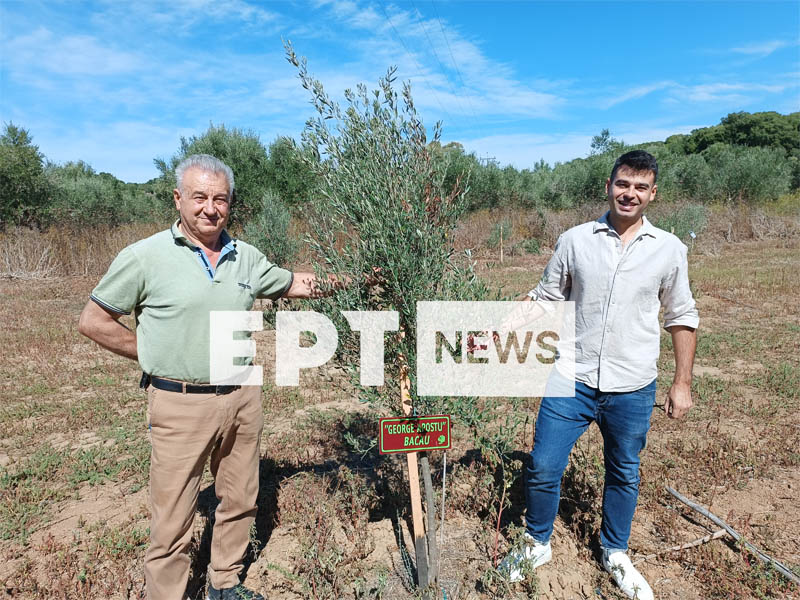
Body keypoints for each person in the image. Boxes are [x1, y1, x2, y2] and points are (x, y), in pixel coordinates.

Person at [78, 154, 348, 600]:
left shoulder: (245, 257)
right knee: (172, 519)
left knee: (240, 498)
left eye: (219, 198)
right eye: (199, 197)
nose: (210, 208)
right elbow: (93, 320)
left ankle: (225, 583)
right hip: (180, 403)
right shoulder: (145, 257)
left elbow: (297, 283)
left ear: (230, 204)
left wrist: (364, 279)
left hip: (242, 396)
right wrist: (150, 352)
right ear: (178, 199)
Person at [501, 150, 698, 599]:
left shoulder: (669, 249)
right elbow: (547, 296)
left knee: (624, 471)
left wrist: (681, 382)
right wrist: (498, 327)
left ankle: (615, 551)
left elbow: (681, 314)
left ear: (652, 194)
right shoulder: (575, 240)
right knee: (545, 464)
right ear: (608, 186)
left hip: (631, 384)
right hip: (571, 374)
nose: (630, 193)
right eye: (622, 184)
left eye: (640, 187)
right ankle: (536, 542)